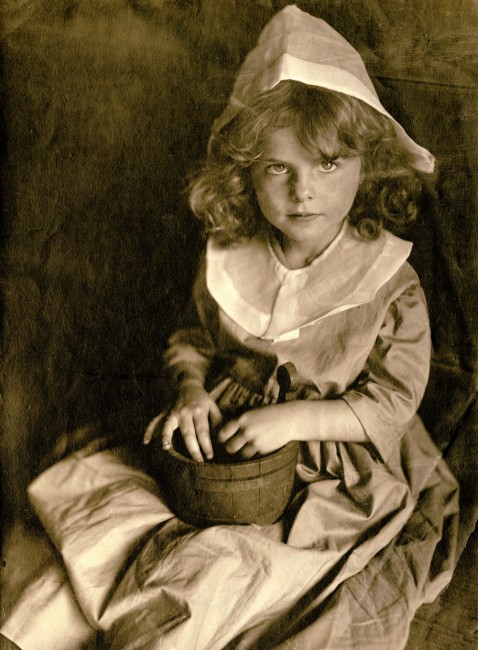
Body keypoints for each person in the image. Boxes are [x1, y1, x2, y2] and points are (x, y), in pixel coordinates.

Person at [1, 6, 458, 650]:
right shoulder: (233, 250)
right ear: (246, 172)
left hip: (330, 459)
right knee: (109, 524)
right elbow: (193, 340)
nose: (304, 193)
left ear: (367, 161)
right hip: (222, 436)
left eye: (328, 165)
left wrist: (293, 420)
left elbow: (391, 404)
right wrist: (190, 390)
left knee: (228, 569)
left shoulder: (386, 279)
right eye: (279, 169)